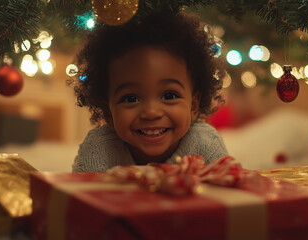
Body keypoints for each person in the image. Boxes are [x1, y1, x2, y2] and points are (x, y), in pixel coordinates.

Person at [70, 12, 229, 172]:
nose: (151, 112)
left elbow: (229, 191)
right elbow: (78, 194)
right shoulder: (99, 148)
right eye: (131, 98)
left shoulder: (205, 144)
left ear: (193, 105)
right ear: (108, 113)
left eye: (169, 96)